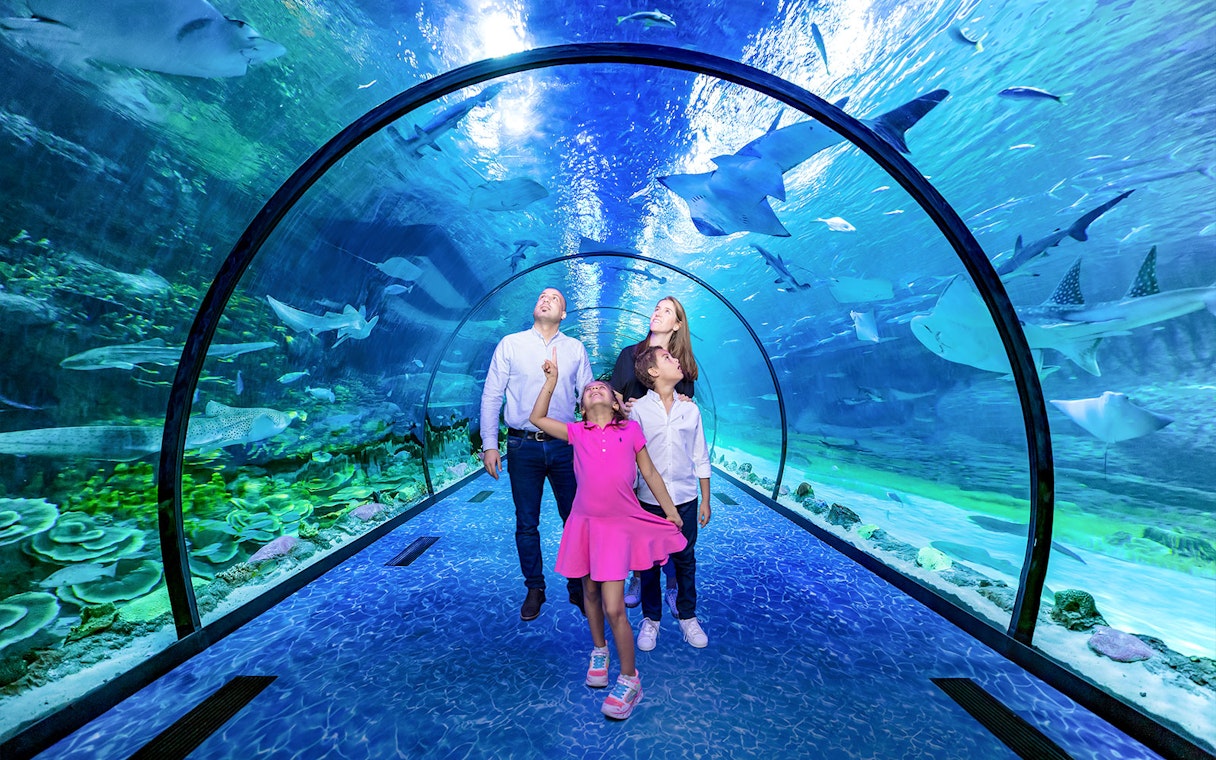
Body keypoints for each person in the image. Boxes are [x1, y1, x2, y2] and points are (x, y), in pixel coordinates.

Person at [529, 352, 686, 721]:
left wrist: (671, 510)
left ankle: (630, 678)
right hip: (584, 525)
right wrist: (551, 383)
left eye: (603, 388)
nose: (595, 389)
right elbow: (535, 419)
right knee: (589, 593)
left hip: (618, 526)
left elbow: (649, 473)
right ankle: (599, 649)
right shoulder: (575, 432)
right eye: (588, 390)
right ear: (581, 407)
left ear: (617, 403)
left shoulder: (630, 431)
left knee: (615, 605)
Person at [480, 287, 593, 621]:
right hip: (521, 445)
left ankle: (578, 585)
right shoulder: (510, 344)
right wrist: (490, 443)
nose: (545, 299)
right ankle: (535, 587)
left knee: (574, 518)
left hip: (564, 444)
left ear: (563, 315)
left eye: (555, 298)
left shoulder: (575, 348)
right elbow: (491, 395)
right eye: (541, 295)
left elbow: (588, 398)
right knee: (526, 522)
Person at [608, 296, 699, 609]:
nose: (657, 312)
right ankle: (639, 574)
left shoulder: (680, 367)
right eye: (656, 307)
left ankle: (672, 584)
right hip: (633, 451)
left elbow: (685, 410)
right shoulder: (628, 354)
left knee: (673, 521)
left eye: (667, 311)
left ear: (677, 324)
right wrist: (625, 408)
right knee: (638, 518)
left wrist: (687, 404)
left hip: (668, 458)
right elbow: (614, 397)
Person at [630, 345, 712, 651]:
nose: (676, 361)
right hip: (648, 500)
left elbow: (700, 456)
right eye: (668, 358)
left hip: (686, 497)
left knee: (685, 559)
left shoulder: (690, 409)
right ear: (653, 372)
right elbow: (631, 458)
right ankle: (651, 619)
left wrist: (705, 499)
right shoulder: (637, 410)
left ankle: (688, 616)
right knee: (649, 562)